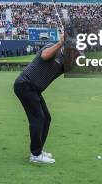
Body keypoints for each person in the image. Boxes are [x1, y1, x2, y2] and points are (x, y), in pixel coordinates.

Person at [13, 30, 66, 164]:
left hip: (34, 90)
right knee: (38, 118)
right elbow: (45, 55)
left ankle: (38, 150)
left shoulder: (66, 60)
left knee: (46, 118)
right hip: (25, 85)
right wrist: (61, 42)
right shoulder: (50, 47)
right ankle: (35, 155)